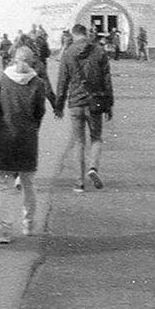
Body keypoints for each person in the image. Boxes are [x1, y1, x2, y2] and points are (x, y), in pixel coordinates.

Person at [0, 46, 50, 244]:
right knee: (28, 183)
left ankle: (5, 230)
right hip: (27, 137)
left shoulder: (1, 79)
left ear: (13, 59)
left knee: (4, 185)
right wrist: (32, 127)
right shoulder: (37, 83)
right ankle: (28, 223)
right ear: (31, 62)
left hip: (4, 137)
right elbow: (40, 111)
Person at [53, 23, 114, 193]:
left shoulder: (68, 53)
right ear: (86, 33)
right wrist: (109, 105)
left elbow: (62, 81)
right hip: (95, 102)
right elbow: (107, 80)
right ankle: (93, 167)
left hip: (76, 103)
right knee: (96, 138)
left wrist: (58, 105)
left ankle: (79, 183)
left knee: (79, 142)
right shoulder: (99, 51)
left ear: (73, 35)